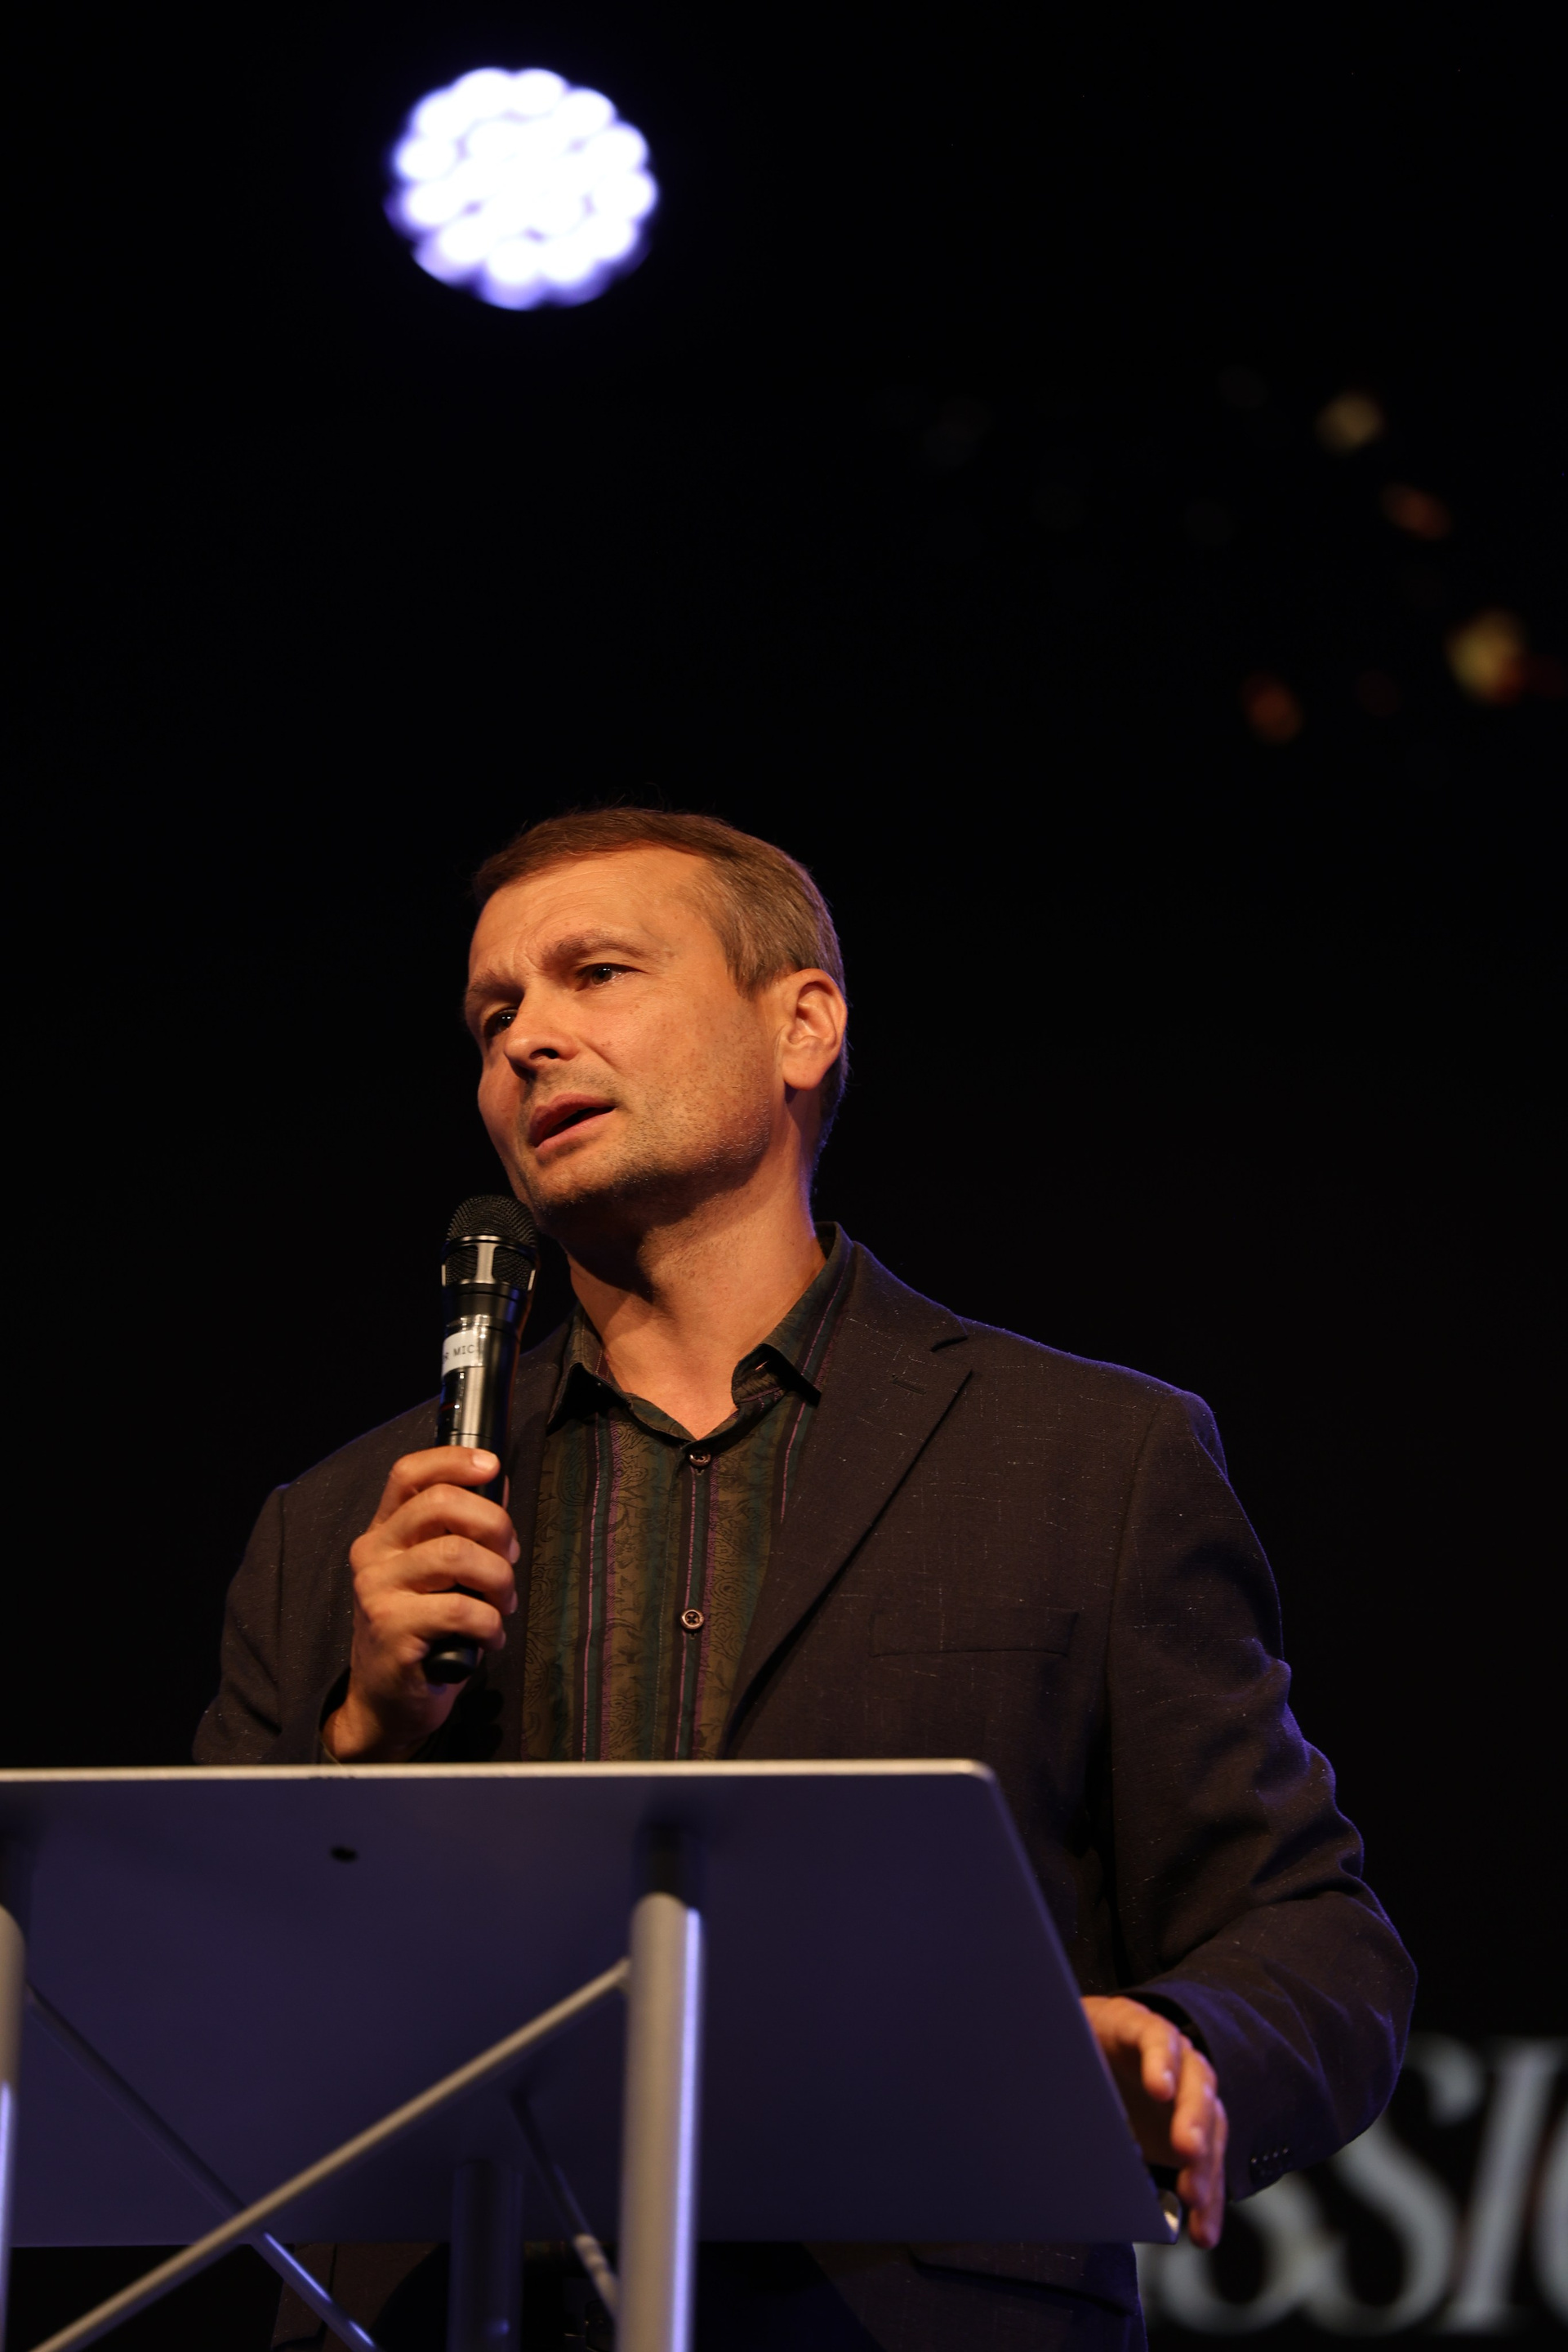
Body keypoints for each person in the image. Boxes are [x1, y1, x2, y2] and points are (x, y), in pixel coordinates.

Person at [197, 808, 1414, 2352]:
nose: (527, 1041)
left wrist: (1182, 2046)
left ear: (803, 1025)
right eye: (493, 1015)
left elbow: (1315, 1937)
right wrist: (361, 1737)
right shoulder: (347, 1526)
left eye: (596, 974)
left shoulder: (1087, 1463)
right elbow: (185, 2008)